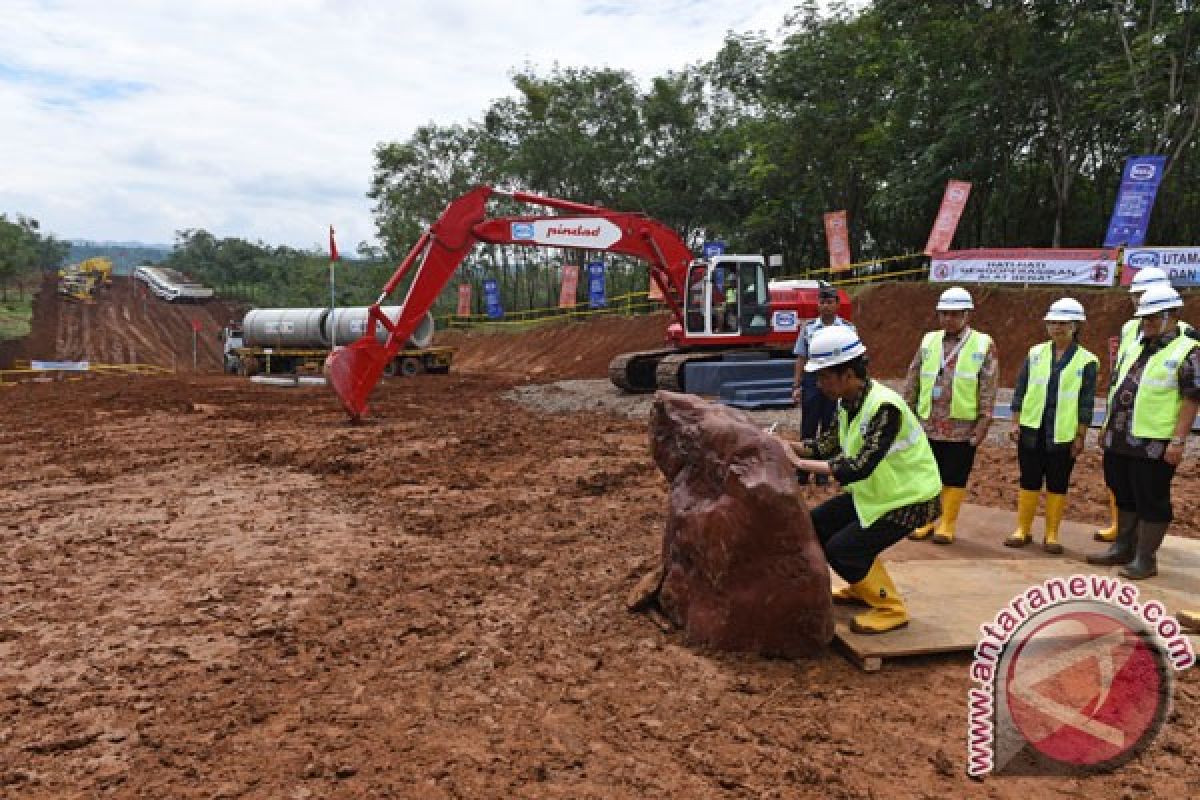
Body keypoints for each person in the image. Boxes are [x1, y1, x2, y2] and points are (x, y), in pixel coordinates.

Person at [783, 326, 941, 634]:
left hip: (909, 499)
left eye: (825, 376)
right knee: (815, 524)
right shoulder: (848, 404)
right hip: (877, 495)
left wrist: (801, 463)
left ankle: (891, 607)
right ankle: (862, 586)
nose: (819, 383)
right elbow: (826, 445)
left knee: (844, 550)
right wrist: (786, 446)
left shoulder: (884, 407)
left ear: (848, 374)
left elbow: (859, 467)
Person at [1087, 284, 1200, 580]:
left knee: (1151, 497)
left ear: (1171, 315)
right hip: (1120, 436)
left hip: (1154, 441)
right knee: (1122, 491)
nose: (1146, 323)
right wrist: (1106, 425)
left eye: (1152, 318)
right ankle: (1123, 547)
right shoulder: (1136, 344)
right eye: (1143, 318)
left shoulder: (1188, 350)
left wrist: (1177, 441)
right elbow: (1117, 386)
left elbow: (1191, 399)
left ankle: (1145, 558)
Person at [903, 286, 997, 544]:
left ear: (967, 315)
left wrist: (984, 420)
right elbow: (913, 377)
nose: (948, 319)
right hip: (928, 422)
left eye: (955, 314)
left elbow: (988, 384)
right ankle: (925, 521)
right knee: (926, 473)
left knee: (955, 474)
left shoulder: (982, 343)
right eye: (944, 314)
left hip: (961, 425)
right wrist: (905, 410)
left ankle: (947, 523)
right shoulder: (928, 340)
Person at [1004, 298, 1098, 553]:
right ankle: (1023, 529)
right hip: (1032, 429)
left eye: (1063, 323)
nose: (1057, 328)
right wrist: (1015, 422)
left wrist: (1080, 436)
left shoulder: (1087, 361)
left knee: (1058, 481)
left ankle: (1052, 534)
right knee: (1029, 479)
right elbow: (1021, 389)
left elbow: (1086, 403)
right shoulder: (1035, 353)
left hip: (1062, 433)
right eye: (1053, 323)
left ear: (1075, 326)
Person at [791, 286, 853, 485]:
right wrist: (796, 385)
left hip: (837, 382)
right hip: (813, 380)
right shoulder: (809, 329)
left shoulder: (847, 328)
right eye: (822, 302)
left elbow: (854, 359)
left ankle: (823, 476)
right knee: (808, 426)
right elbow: (801, 357)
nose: (825, 306)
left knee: (830, 427)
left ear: (837, 304)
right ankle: (802, 473)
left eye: (829, 302)